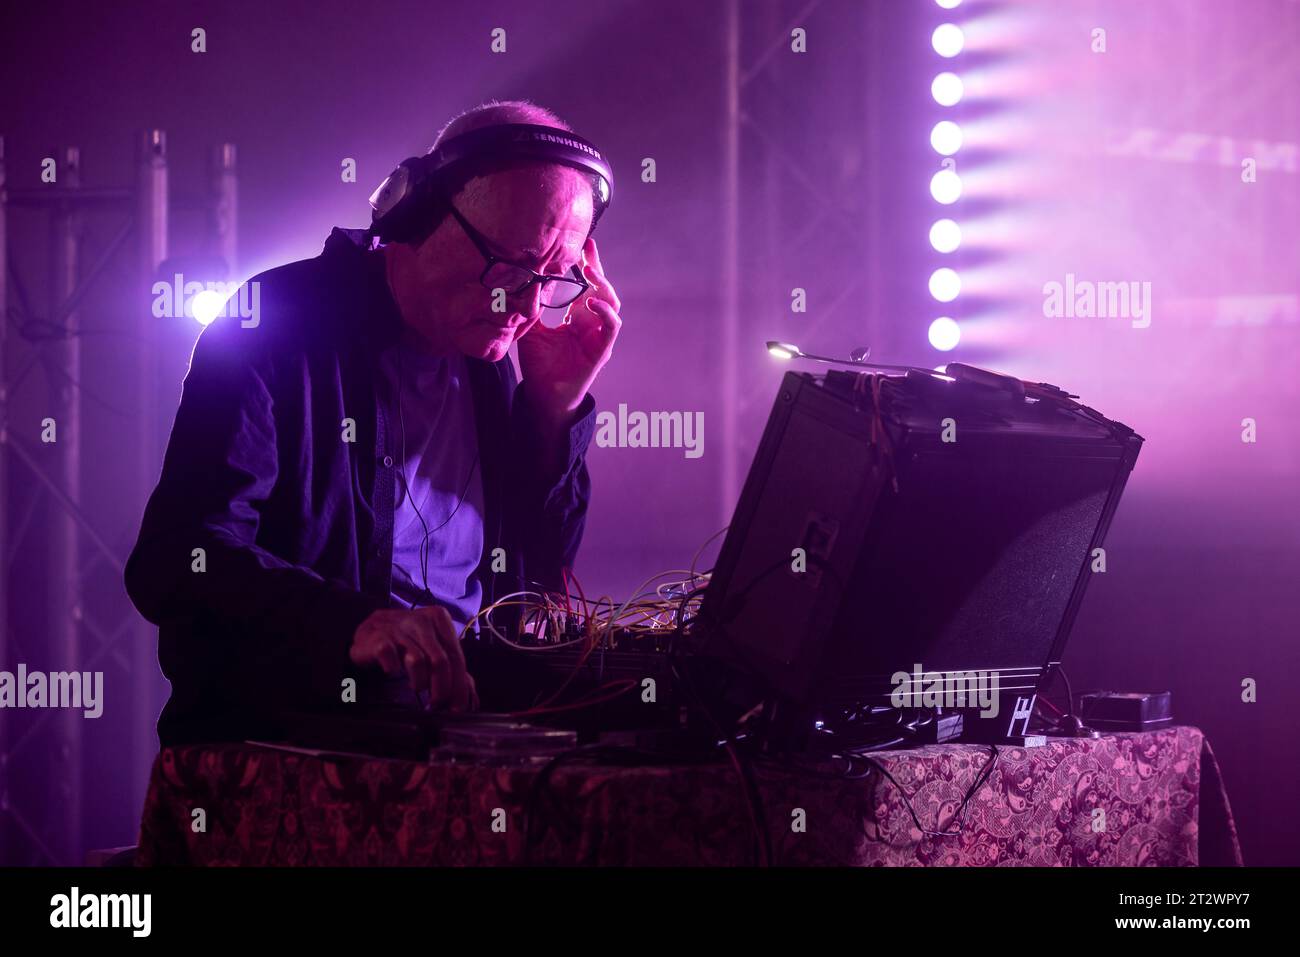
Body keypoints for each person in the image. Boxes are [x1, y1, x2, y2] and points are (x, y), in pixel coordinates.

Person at [125, 100, 622, 745]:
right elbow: (175, 562)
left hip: (461, 738)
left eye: (552, 279)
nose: (525, 306)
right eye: (510, 265)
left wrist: (552, 411)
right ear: (413, 213)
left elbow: (537, 587)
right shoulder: (273, 325)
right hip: (297, 745)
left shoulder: (489, 358)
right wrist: (355, 623)